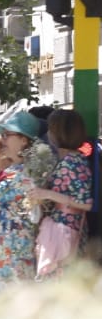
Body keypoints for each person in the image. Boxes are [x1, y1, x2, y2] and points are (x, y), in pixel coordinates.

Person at [0, 111, 45, 296]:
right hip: (1, 259)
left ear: (24, 140)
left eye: (8, 135)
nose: (3, 139)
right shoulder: (18, 169)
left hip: (7, 261)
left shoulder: (23, 172)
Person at [30, 108, 93, 279]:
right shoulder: (74, 160)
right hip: (65, 231)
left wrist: (47, 194)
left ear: (56, 133)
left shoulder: (70, 162)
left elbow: (87, 203)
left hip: (64, 233)